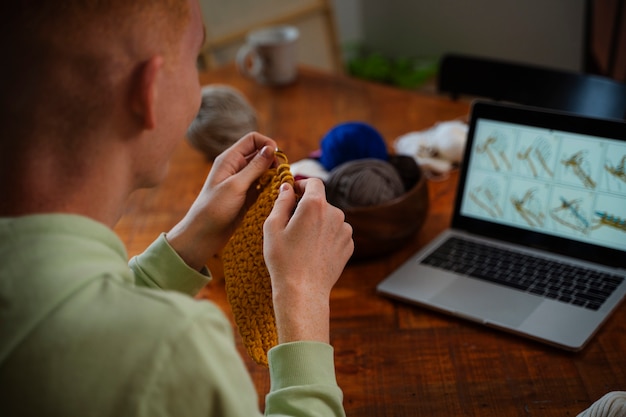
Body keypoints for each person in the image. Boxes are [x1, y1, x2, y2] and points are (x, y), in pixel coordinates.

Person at [0, 0, 353, 416]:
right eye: (194, 62)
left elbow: (70, 321)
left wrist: (191, 240)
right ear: (148, 92)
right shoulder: (171, 352)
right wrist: (302, 295)